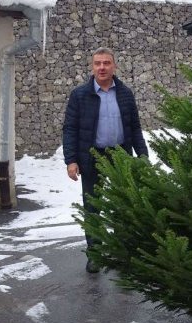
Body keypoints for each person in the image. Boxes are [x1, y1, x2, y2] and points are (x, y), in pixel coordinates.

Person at [63, 47, 148, 273]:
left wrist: (142, 156)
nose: (102, 67)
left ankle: (122, 253)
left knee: (124, 206)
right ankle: (95, 254)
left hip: (120, 156)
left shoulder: (125, 94)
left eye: (106, 63)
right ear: (92, 67)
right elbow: (70, 128)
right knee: (92, 206)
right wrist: (71, 160)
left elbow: (135, 128)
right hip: (92, 157)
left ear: (114, 66)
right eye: (98, 63)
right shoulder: (80, 95)